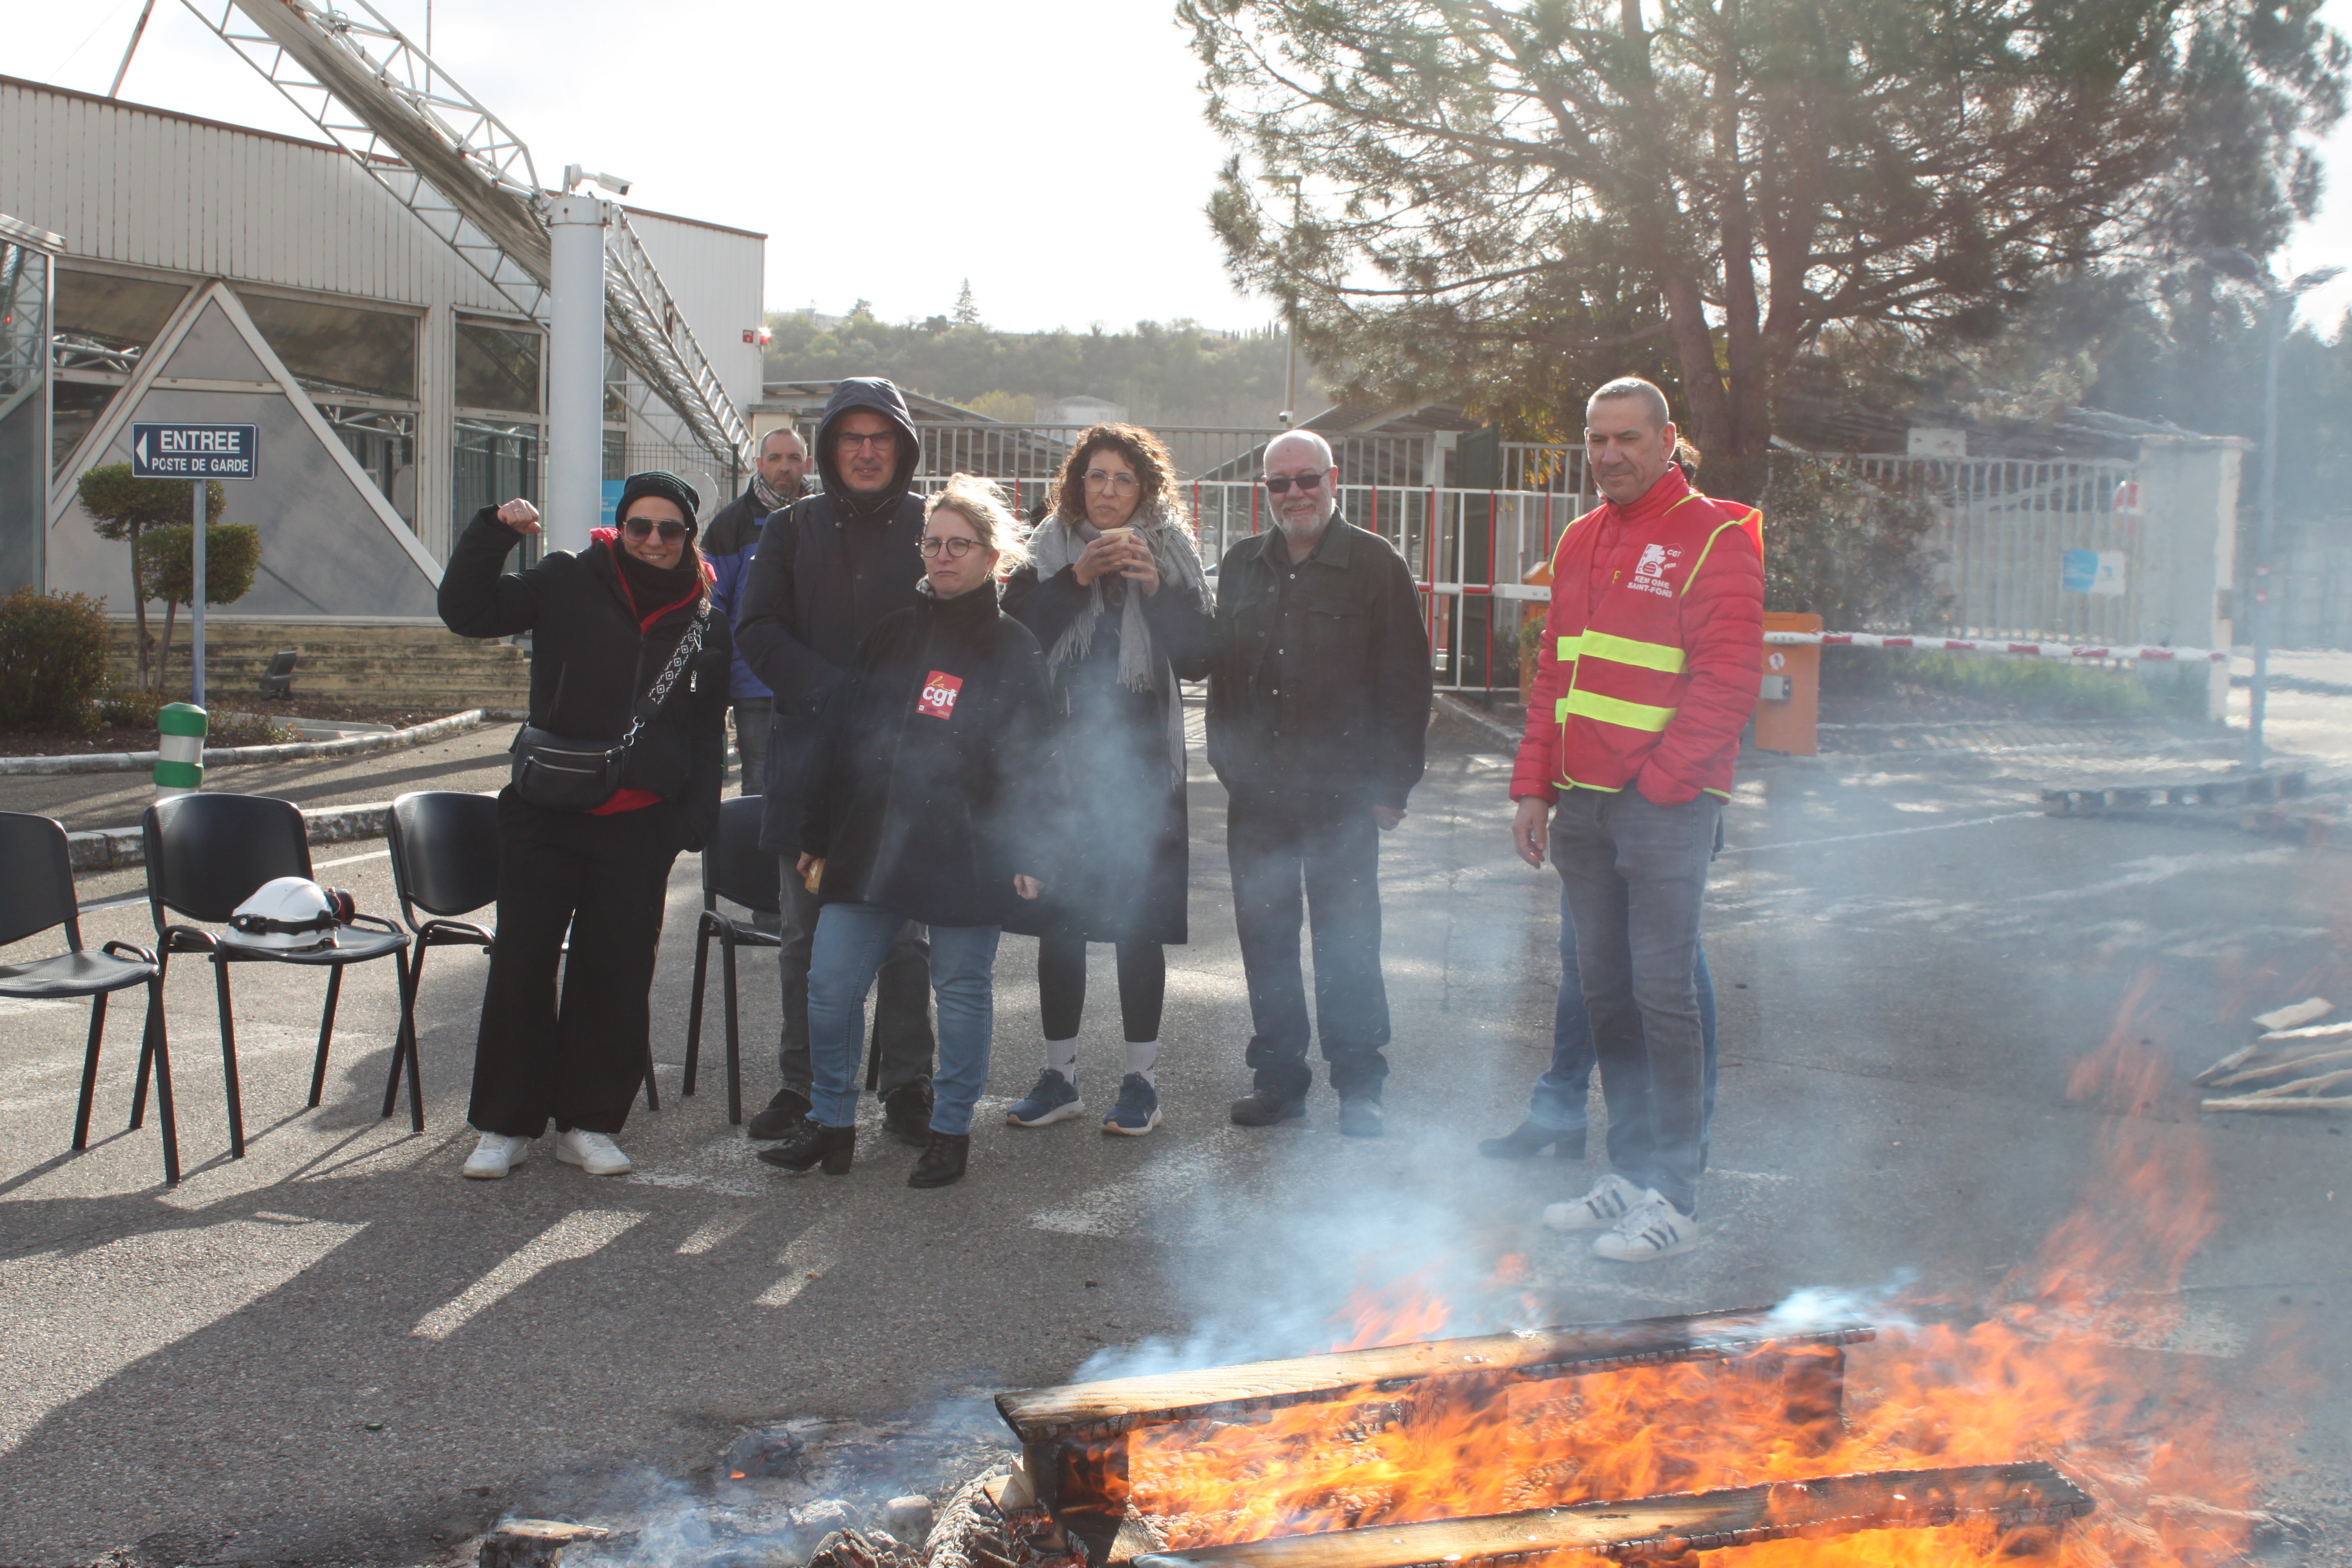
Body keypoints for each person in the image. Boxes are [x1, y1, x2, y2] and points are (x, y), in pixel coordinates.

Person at [1509, 376, 1763, 1262]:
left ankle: (1677, 1197)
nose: (1608, 454)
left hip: (1663, 806)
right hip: (1580, 804)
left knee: (1663, 996)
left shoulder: (1716, 535)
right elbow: (1553, 675)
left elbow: (1728, 681)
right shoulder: (1580, 538)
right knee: (1606, 993)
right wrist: (1532, 785)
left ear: (1665, 441)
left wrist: (1659, 784)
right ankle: (1629, 1170)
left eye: (1625, 438)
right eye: (1595, 438)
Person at [438, 472, 731, 1180]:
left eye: (669, 530)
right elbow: (468, 610)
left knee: (617, 972)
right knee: (523, 965)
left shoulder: (706, 615)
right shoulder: (568, 578)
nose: (653, 541)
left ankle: (589, 1123)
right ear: (618, 527)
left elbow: (704, 726)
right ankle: (505, 1126)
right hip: (546, 811)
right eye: (640, 526)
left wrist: (692, 815)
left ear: (688, 537)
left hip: (639, 825)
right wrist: (495, 533)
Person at [760, 476, 1049, 1188]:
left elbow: (1035, 760)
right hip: (870, 845)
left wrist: (1033, 848)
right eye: (933, 543)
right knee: (828, 987)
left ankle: (950, 1132)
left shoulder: (1013, 647)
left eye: (960, 545)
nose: (943, 556)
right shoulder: (890, 634)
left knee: (960, 990)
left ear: (992, 558)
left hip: (967, 852)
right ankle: (830, 1124)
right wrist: (816, 834)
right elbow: (839, 741)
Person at [1206, 429, 1431, 1139]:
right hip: (1260, 800)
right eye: (1280, 485)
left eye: (1307, 480)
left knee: (1348, 942)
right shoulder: (1242, 564)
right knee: (1266, 941)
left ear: (1334, 480)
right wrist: (1229, 767)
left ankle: (1360, 1085)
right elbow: (1221, 676)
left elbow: (1406, 681)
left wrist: (1393, 783)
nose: (1295, 494)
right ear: (1265, 493)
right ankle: (1279, 1081)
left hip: (1341, 798)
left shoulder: (1374, 565)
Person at [734, 379, 937, 1147]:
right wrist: (836, 691)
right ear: (828, 449)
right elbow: (756, 631)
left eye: (879, 437)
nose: (865, 450)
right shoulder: (790, 531)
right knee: (805, 937)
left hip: (907, 767)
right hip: (811, 765)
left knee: (906, 942)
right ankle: (804, 1085)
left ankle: (908, 1086)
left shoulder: (932, 527)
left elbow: (963, 629)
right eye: (850, 438)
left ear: (902, 448)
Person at [999, 424, 1216, 1136]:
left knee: (1135, 926)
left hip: (1144, 770)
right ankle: (1059, 1076)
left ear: (1145, 487)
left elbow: (1200, 658)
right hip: (1062, 766)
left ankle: (1140, 1081)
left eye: (1124, 478)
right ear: (1077, 484)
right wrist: (1081, 576)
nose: (1109, 491)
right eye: (1097, 477)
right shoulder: (1048, 548)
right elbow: (1018, 636)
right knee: (1060, 924)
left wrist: (1155, 589)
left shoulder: (1173, 549)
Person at [705, 427, 812, 796]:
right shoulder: (730, 525)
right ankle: (760, 859)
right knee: (760, 791)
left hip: (816, 682)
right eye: (775, 458)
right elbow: (712, 608)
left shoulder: (825, 520)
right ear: (758, 464)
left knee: (815, 788)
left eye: (794, 458)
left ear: (808, 464)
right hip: (755, 684)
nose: (785, 468)